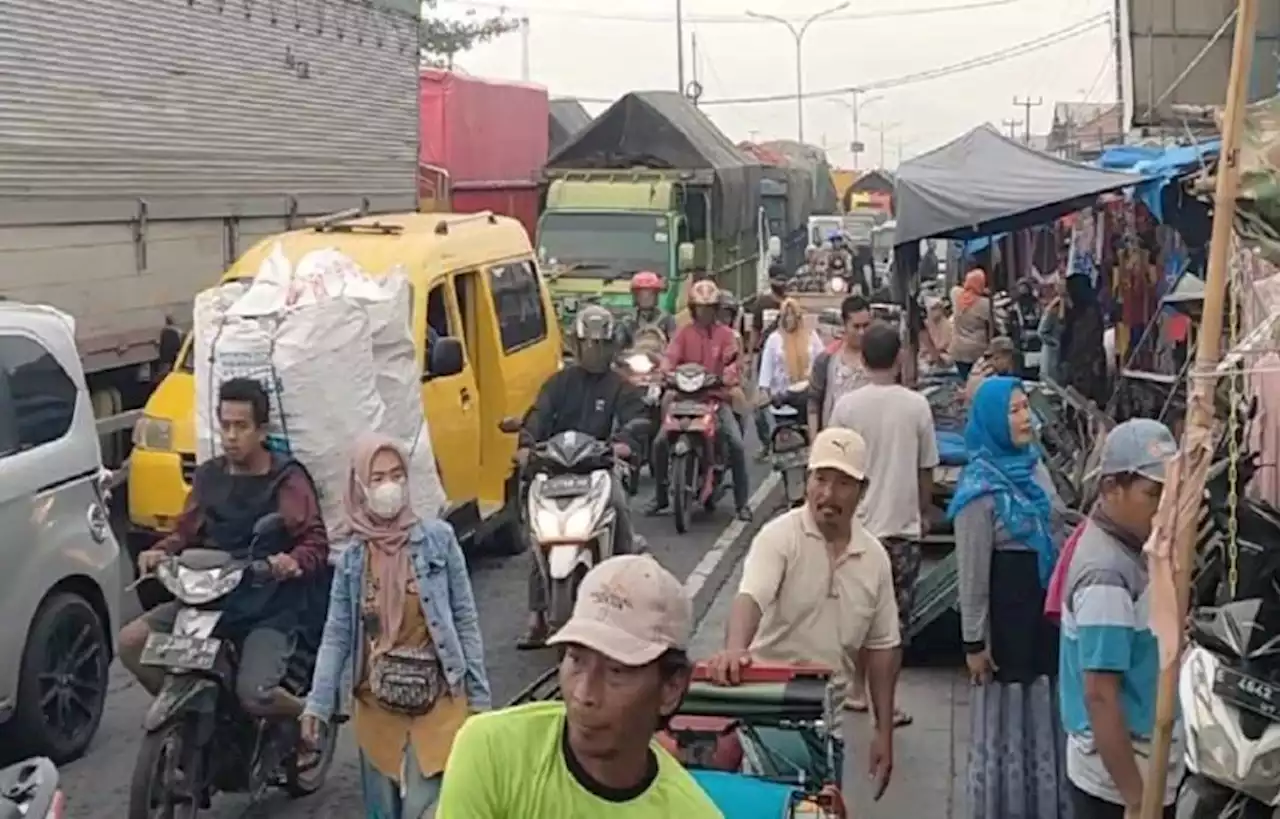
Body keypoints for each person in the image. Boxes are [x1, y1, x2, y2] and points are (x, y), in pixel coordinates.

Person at [434, 555, 724, 818]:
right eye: (576, 659)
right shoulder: (490, 751)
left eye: (616, 671)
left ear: (671, 688)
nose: (584, 694)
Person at [705, 427, 899, 806]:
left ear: (863, 490)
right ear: (807, 481)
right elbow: (751, 597)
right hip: (766, 714)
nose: (828, 495)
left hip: (828, 725)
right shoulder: (780, 537)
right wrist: (734, 649)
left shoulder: (874, 558)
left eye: (843, 483)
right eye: (820, 479)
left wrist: (884, 732)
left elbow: (883, 649)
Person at [300, 434, 490, 817]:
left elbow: (465, 619)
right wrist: (317, 705)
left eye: (397, 475)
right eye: (377, 478)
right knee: (383, 810)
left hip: (438, 702)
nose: (389, 487)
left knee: (429, 808)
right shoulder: (353, 559)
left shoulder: (439, 540)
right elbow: (337, 635)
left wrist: (480, 702)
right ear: (359, 488)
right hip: (377, 707)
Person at [120, 377, 329, 720]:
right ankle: (197, 714)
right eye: (225, 425)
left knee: (254, 696)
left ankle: (308, 718)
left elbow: (316, 542)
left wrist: (289, 561)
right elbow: (184, 531)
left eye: (241, 426)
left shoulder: (286, 480)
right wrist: (161, 551)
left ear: (261, 431)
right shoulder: (208, 477)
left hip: (267, 607)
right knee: (131, 643)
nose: (231, 436)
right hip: (207, 600)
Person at [951, 377, 1071, 818]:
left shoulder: (1034, 467)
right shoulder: (977, 491)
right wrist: (974, 644)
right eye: (1015, 410)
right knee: (1009, 721)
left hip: (1044, 619)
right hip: (1006, 627)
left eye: (1026, 408)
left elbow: (1058, 525)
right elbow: (972, 577)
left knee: (1045, 714)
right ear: (992, 421)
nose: (1026, 418)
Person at [1059, 419, 1179, 819]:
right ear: (1112, 488)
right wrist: (1136, 799)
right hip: (1121, 778)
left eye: (1172, 492)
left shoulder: (1137, 545)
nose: (1167, 506)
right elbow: (1100, 695)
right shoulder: (1106, 575)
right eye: (1153, 493)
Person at [517, 305, 648, 647]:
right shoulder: (559, 383)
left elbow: (636, 419)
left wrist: (625, 443)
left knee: (618, 508)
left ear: (610, 347)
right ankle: (536, 614)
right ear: (577, 345)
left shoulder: (620, 386)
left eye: (600, 345)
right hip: (556, 469)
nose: (594, 352)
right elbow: (538, 415)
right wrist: (527, 443)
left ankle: (622, 593)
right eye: (588, 345)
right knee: (537, 529)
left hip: (599, 469)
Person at [829, 323, 938, 727]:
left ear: (863, 357)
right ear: (899, 358)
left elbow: (833, 467)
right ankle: (887, 705)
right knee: (892, 624)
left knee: (856, 614)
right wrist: (924, 512)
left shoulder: (847, 407)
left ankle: (856, 691)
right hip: (901, 530)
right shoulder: (916, 406)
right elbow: (927, 468)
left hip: (855, 530)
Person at [649, 279, 752, 522]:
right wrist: (664, 373)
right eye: (700, 308)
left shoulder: (727, 336)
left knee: (736, 444)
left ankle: (742, 503)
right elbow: (670, 358)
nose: (704, 313)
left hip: (716, 399)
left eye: (709, 308)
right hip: (684, 398)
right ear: (693, 309)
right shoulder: (684, 334)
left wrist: (726, 376)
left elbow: (734, 362)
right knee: (660, 442)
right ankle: (661, 495)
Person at [743, 264, 792, 458]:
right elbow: (755, 330)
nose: (780, 283)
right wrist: (750, 356)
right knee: (758, 405)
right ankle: (766, 443)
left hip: (787, 358)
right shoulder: (762, 303)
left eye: (783, 279)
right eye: (777, 279)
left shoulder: (792, 303)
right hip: (765, 358)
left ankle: (787, 440)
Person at [807, 295, 874, 434]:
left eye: (866, 326)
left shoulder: (880, 358)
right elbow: (814, 403)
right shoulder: (826, 360)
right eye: (856, 327)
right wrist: (815, 441)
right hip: (836, 440)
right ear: (844, 325)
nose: (861, 332)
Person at [1059, 273, 1109, 407]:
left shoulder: (1088, 314)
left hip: (1087, 373)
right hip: (1082, 371)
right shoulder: (1079, 312)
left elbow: (1081, 346)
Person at [949, 268, 995, 378]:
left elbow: (958, 288)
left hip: (958, 349)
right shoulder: (985, 304)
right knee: (977, 380)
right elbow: (992, 326)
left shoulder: (955, 295)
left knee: (964, 379)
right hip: (977, 351)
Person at [616, 271, 677, 352]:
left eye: (650, 294)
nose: (646, 298)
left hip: (660, 359)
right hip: (633, 359)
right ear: (635, 296)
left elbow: (675, 345)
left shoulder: (667, 319)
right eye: (641, 294)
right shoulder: (627, 321)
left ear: (656, 296)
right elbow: (618, 348)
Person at [964, 336, 1018, 401]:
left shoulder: (981, 362)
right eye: (1008, 357)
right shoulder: (989, 373)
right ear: (999, 356)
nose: (1010, 362)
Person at [1038, 279, 1066, 384]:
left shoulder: (1070, 307)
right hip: (1051, 355)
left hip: (1061, 357)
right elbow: (1041, 332)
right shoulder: (1054, 308)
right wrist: (1055, 343)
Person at [919, 296, 953, 368]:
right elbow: (922, 348)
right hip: (927, 360)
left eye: (938, 308)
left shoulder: (949, 325)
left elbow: (950, 348)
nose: (935, 312)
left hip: (945, 359)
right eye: (933, 309)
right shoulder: (924, 326)